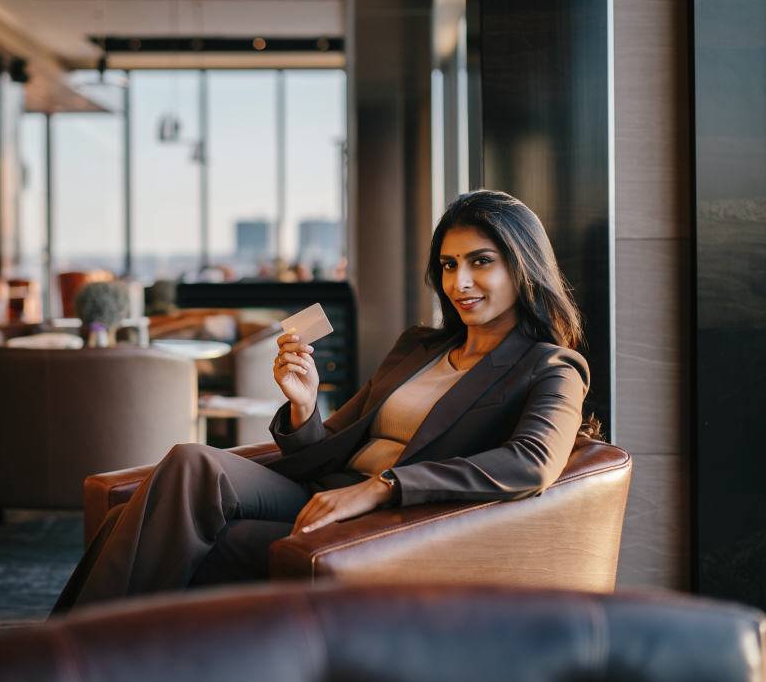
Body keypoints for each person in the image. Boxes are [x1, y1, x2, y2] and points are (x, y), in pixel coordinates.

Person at [50, 190, 595, 615]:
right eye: (449, 265)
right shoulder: (419, 347)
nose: (461, 281)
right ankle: (72, 652)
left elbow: (531, 462)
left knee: (147, 528)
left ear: (521, 265)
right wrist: (304, 407)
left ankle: (66, 652)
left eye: (481, 261)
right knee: (191, 462)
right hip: (319, 491)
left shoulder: (551, 367)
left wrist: (381, 488)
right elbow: (328, 447)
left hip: (384, 523)